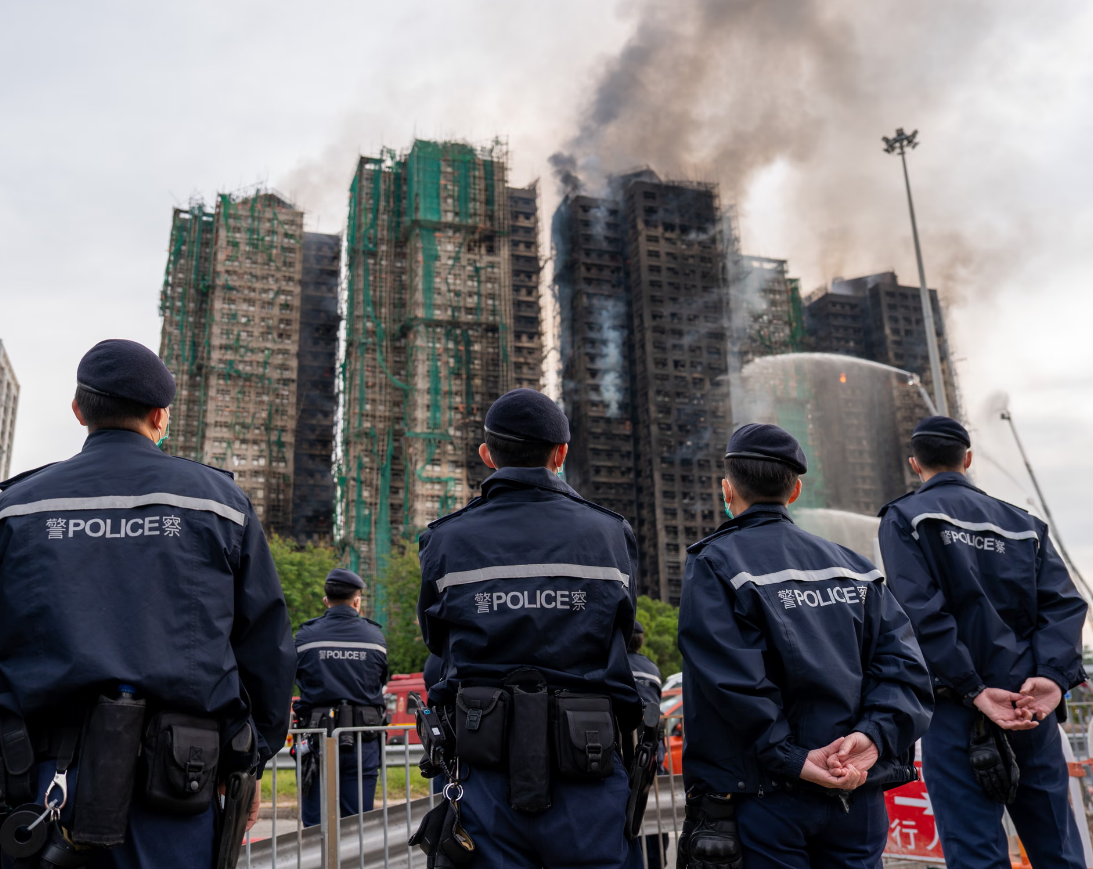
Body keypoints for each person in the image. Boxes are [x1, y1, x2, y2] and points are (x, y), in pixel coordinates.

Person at [0, 339, 295, 869]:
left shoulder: (16, 507)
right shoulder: (219, 505)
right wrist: (248, 762)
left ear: (78, 411)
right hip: (178, 784)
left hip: (35, 786)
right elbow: (266, 648)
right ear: (160, 417)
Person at [678, 423, 933, 869]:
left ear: (727, 489)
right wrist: (872, 737)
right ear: (794, 491)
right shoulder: (854, 568)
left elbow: (730, 681)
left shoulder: (716, 563)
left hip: (767, 796)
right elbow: (906, 667)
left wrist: (792, 757)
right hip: (856, 792)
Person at [417, 388, 643, 869]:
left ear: (487, 455)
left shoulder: (445, 539)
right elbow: (622, 632)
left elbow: (436, 641)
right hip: (588, 766)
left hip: (483, 770)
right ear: (561, 454)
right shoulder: (610, 534)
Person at [879, 415, 1088, 869]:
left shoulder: (906, 519)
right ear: (968, 459)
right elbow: (1065, 605)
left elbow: (920, 613)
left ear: (915, 463)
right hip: (1030, 709)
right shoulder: (1025, 525)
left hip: (957, 709)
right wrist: (1051, 679)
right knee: (1058, 849)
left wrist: (973, 688)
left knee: (976, 854)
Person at [293, 568, 389, 827]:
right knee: (357, 826)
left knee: (315, 826)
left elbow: (293, 679)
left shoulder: (305, 637)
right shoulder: (375, 637)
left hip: (317, 738)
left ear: (326, 600)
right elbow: (380, 682)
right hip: (363, 739)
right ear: (357, 601)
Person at [627, 622, 669, 869]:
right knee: (656, 815)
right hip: (653, 751)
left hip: (627, 752)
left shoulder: (617, 664)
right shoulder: (652, 668)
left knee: (631, 819)